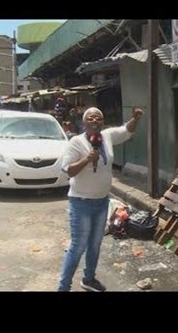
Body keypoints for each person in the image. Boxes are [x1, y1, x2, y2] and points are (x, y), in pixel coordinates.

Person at [58, 106, 144, 292]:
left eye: (98, 118)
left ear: (102, 122)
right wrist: (87, 160)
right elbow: (67, 170)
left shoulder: (107, 137)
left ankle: (88, 279)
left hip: (102, 201)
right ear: (84, 122)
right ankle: (63, 287)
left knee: (95, 244)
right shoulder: (76, 142)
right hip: (81, 202)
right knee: (78, 246)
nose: (95, 121)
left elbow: (126, 130)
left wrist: (135, 118)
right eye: (90, 118)